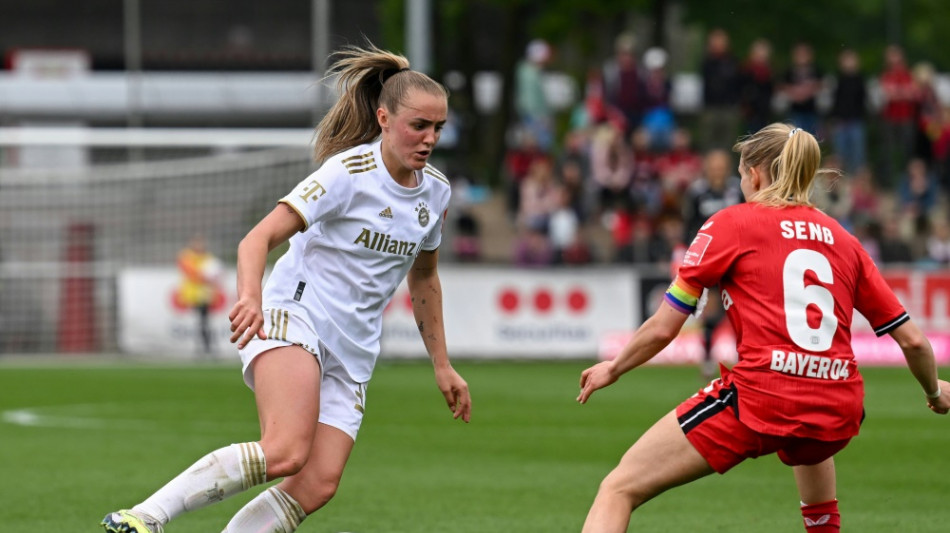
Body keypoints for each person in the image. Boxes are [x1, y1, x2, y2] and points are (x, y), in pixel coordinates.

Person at [101, 44, 472, 533]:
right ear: (383, 118)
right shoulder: (347, 174)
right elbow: (258, 238)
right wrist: (250, 297)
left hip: (355, 348)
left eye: (438, 128)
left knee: (317, 483)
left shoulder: (436, 192)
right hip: (297, 314)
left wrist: (442, 365)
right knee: (286, 450)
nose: (429, 139)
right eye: (418, 126)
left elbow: (424, 278)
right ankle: (146, 517)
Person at [577, 123, 950, 533]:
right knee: (812, 463)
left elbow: (665, 328)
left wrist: (613, 367)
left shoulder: (731, 224)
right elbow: (913, 340)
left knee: (618, 488)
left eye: (741, 175)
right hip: (836, 408)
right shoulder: (845, 240)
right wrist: (934, 391)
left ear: (755, 174)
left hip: (764, 399)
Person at [173, 233, 224, 355]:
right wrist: (205, 276)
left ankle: (205, 348)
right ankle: (204, 347)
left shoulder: (208, 257)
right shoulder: (186, 256)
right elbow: (191, 272)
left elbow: (215, 273)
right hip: (192, 295)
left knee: (203, 321)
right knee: (201, 322)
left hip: (205, 295)